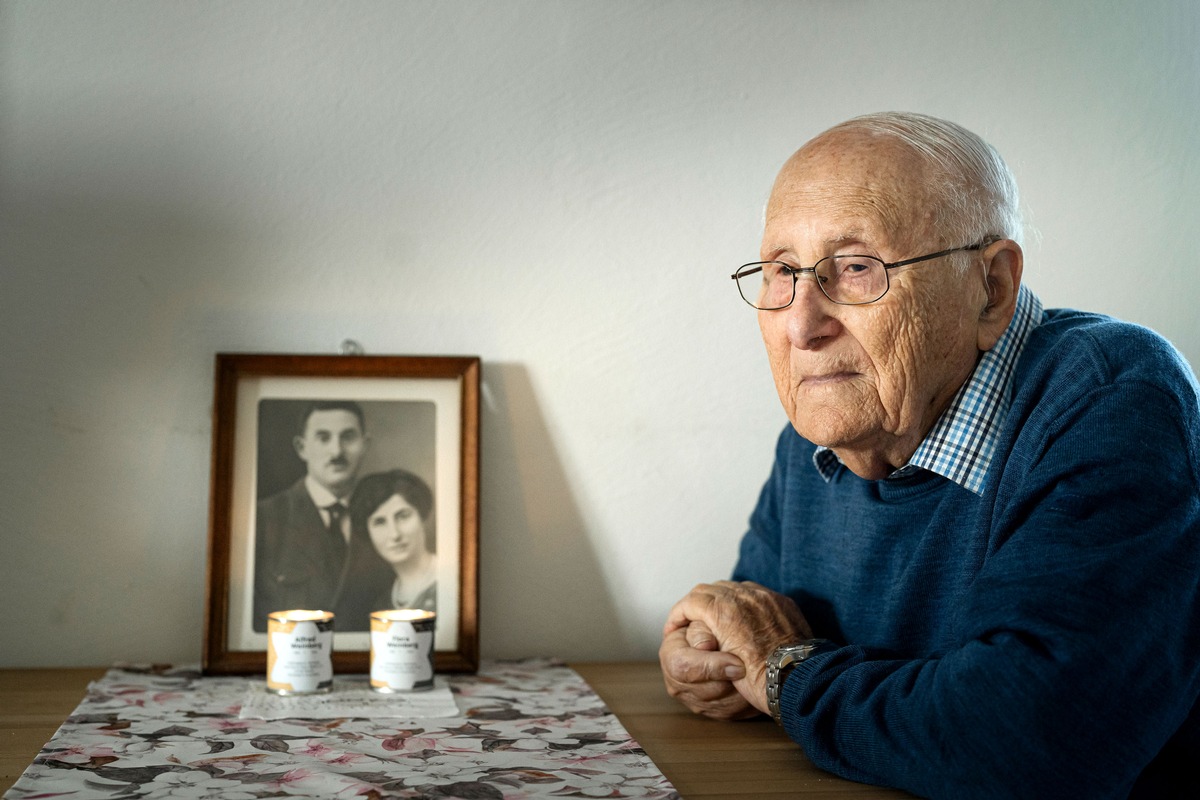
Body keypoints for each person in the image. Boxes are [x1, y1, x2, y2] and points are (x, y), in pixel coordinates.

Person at [659, 112, 1200, 798]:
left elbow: (1026, 743)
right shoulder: (826, 431)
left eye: (855, 268)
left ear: (992, 288)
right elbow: (756, 632)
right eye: (780, 272)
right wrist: (711, 656)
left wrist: (782, 673)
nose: (802, 323)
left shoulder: (1114, 397)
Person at [253, 400, 369, 631]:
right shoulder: (263, 518)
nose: (336, 451)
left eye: (348, 437)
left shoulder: (381, 517)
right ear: (301, 448)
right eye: (323, 438)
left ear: (365, 445)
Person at [338, 469, 438, 626]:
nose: (394, 534)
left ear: (422, 517)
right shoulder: (383, 604)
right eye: (379, 522)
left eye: (403, 516)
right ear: (368, 533)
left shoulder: (450, 582)